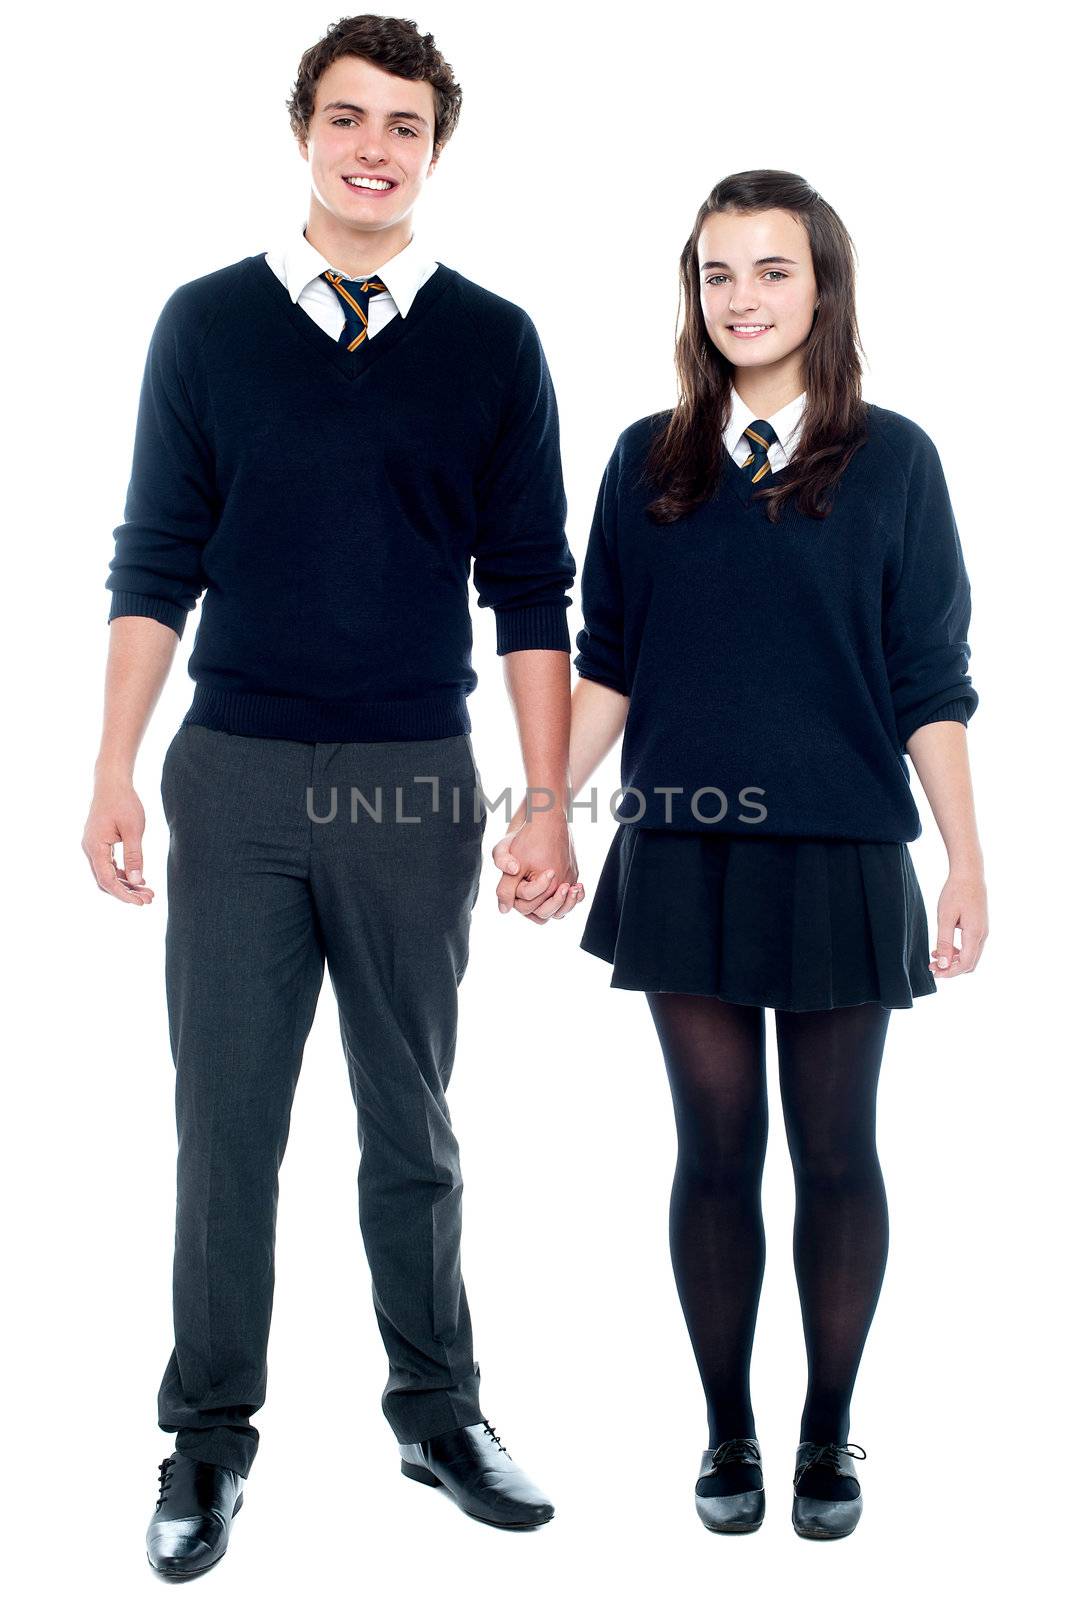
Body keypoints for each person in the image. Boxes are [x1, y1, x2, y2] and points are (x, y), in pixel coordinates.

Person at [82, 14, 580, 1576]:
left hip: (413, 782)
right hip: (228, 777)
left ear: (437, 150)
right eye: (348, 117)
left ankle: (436, 1411)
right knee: (223, 1130)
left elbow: (530, 590)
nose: (374, 146)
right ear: (302, 128)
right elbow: (156, 557)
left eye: (406, 126)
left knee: (409, 1122)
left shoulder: (493, 342)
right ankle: (206, 1440)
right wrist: (110, 761)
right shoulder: (207, 325)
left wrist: (546, 796)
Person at [491, 169, 987, 1540]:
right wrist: (541, 806)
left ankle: (829, 1430)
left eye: (771, 271)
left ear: (820, 286)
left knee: (836, 1152)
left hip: (838, 851)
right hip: (683, 852)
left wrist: (965, 861)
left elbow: (927, 681)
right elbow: (607, 670)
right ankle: (727, 1430)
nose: (743, 299)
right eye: (717, 274)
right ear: (691, 293)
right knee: (712, 1151)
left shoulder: (893, 459)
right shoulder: (649, 458)